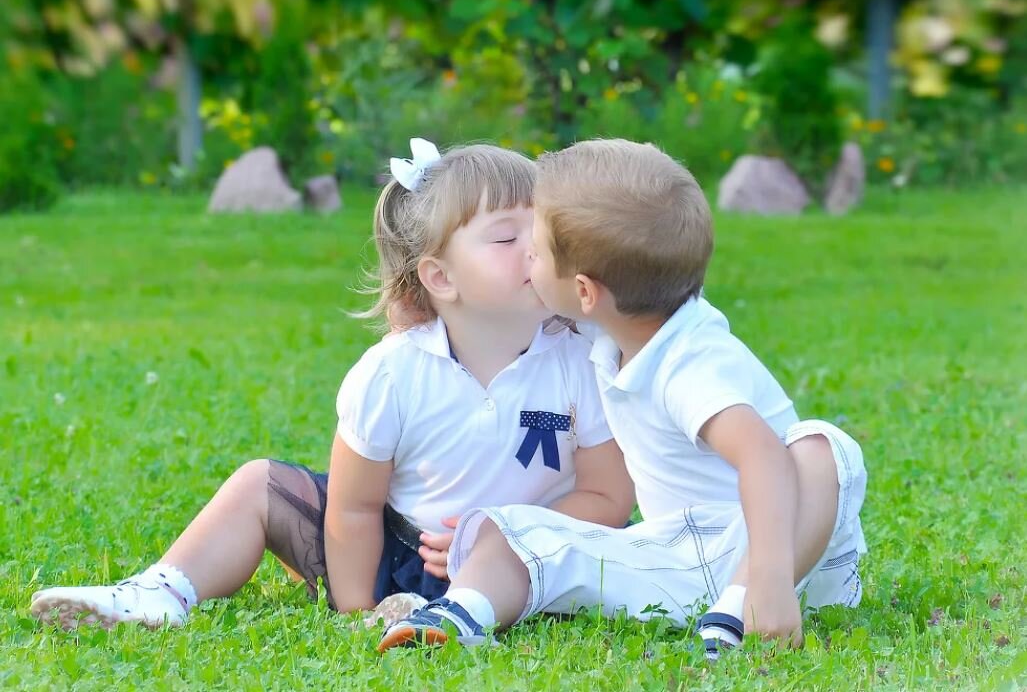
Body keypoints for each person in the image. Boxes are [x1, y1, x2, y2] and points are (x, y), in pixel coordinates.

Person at [30, 139, 634, 631]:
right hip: (395, 551)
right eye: (508, 238)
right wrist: (357, 612)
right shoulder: (394, 372)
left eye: (545, 234)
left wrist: (509, 533)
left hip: (527, 559)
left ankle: (464, 608)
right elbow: (353, 506)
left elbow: (609, 500)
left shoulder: (581, 360)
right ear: (440, 277)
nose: (535, 251)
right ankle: (164, 589)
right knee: (258, 485)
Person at [379, 139, 867, 659]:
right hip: (670, 561)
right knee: (517, 526)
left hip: (781, 558)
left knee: (822, 449)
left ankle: (738, 612)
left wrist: (767, 580)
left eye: (536, 249)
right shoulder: (613, 326)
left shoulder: (689, 359)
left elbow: (764, 457)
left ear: (585, 292)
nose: (526, 256)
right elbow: (498, 314)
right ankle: (465, 610)